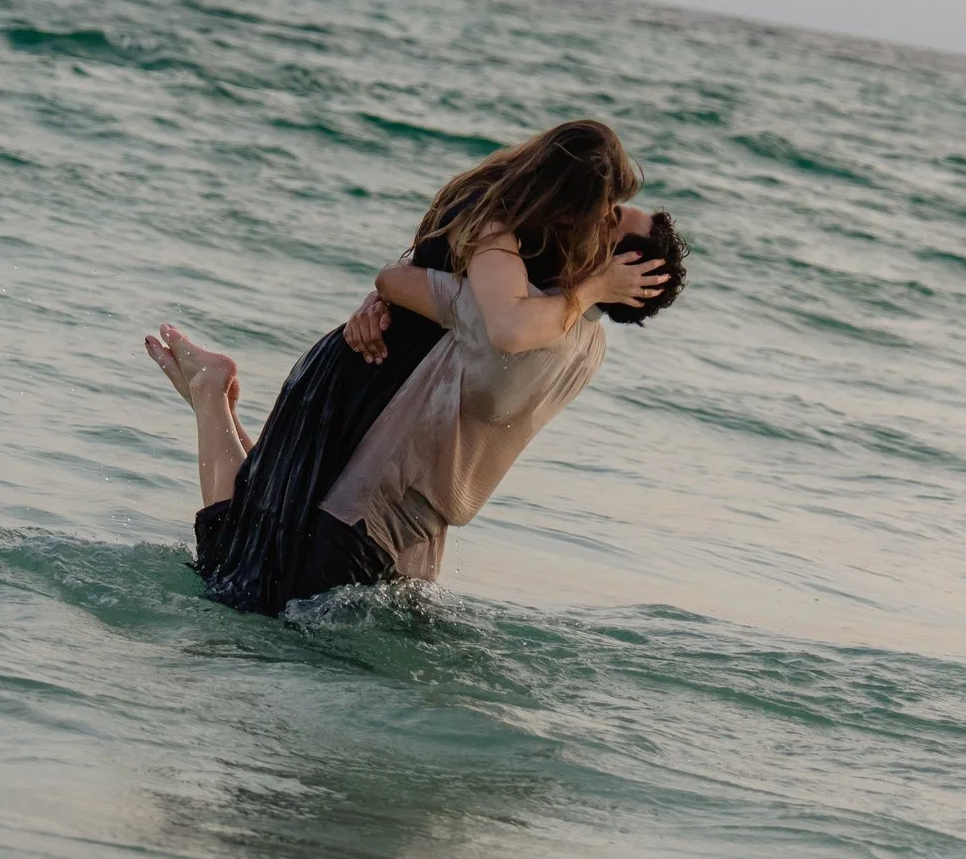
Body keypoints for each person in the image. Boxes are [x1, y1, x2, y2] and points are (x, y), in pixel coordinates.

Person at [146, 120, 688, 614]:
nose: (602, 215)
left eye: (615, 217)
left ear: (623, 269)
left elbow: (410, 286)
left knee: (244, 565)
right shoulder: (588, 347)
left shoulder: (517, 312)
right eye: (606, 206)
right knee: (251, 555)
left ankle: (210, 397)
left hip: (370, 494)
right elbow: (417, 288)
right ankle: (211, 398)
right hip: (407, 516)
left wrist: (385, 298)